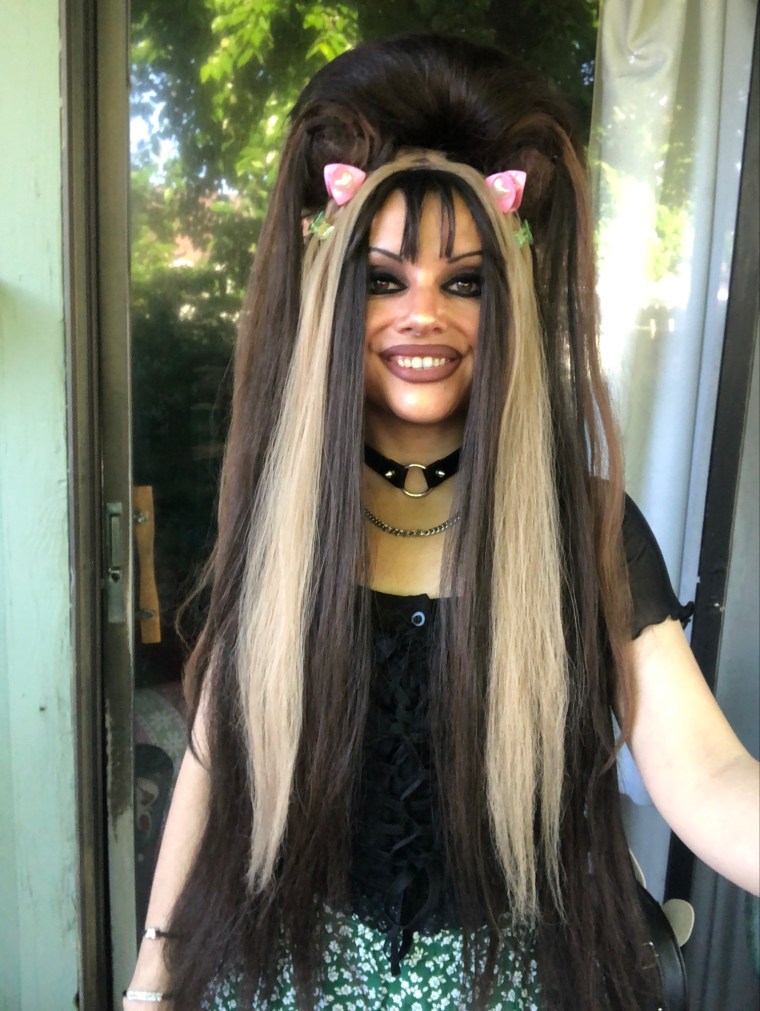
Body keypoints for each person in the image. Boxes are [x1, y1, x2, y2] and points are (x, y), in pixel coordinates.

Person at [124, 33, 760, 1011]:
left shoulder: (586, 529)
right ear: (334, 297)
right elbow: (217, 750)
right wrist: (154, 974)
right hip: (285, 975)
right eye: (384, 279)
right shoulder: (282, 522)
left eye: (464, 281)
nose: (423, 311)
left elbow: (707, 771)